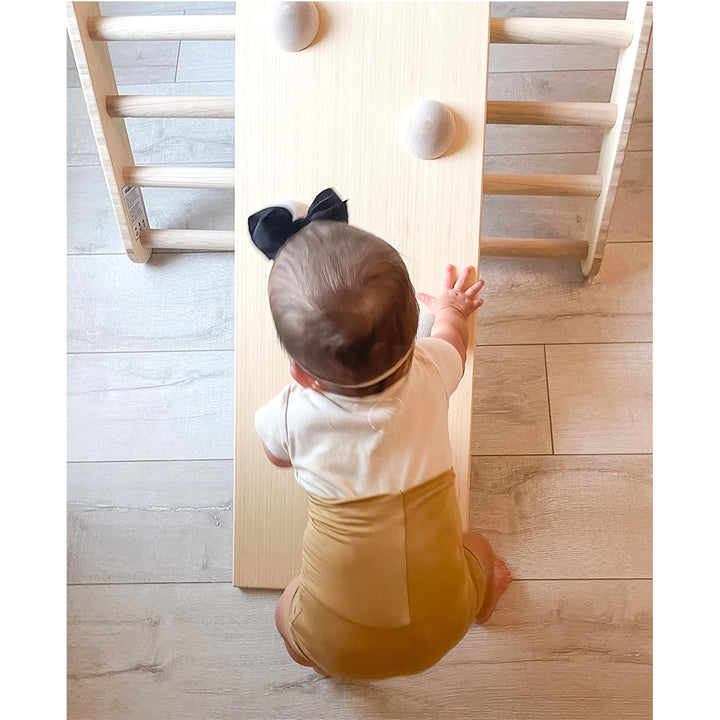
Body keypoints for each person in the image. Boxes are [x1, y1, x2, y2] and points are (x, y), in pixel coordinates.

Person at [251, 190, 512, 679]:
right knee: (476, 546)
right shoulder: (432, 367)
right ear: (414, 329)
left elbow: (277, 458)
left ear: (300, 374)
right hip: (447, 623)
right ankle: (486, 596)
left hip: (336, 642)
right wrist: (453, 310)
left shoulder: (287, 416)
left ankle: (318, 664)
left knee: (286, 609)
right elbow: (453, 340)